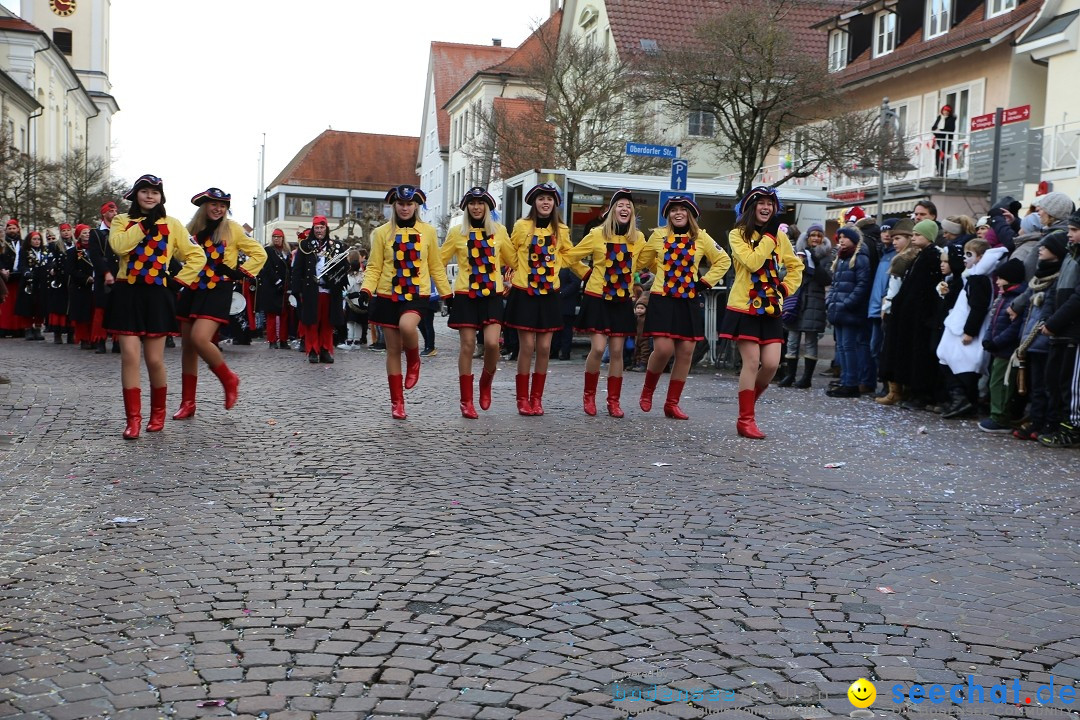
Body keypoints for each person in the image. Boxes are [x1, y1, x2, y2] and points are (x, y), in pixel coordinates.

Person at [105, 174, 206, 439]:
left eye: (155, 192)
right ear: (135, 194)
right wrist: (143, 225)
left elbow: (197, 255)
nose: (150, 196)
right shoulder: (121, 221)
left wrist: (179, 281)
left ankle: (157, 414)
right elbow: (118, 246)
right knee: (129, 356)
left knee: (154, 359)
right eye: (145, 191)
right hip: (127, 292)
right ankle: (133, 420)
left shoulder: (172, 224)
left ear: (162, 197)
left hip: (157, 295)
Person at [171, 188, 266, 421]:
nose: (218, 209)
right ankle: (188, 403)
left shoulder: (232, 228)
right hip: (193, 288)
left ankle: (228, 378)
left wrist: (239, 273)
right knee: (188, 348)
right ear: (204, 206)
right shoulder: (190, 229)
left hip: (218, 289)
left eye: (222, 205)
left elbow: (259, 254)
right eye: (214, 204)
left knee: (200, 339)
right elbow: (174, 252)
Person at [636, 194, 731, 420]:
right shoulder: (658, 236)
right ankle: (648, 391)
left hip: (688, 299)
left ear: (691, 214)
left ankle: (672, 403)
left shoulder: (702, 238)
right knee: (663, 350)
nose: (678, 213)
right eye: (673, 209)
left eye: (683, 209)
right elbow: (643, 261)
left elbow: (723, 260)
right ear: (668, 215)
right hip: (662, 298)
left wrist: (703, 283)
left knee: (686, 352)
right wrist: (652, 273)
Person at [361, 184, 451, 419]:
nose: (405, 208)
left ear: (416, 206)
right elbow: (374, 266)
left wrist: (446, 293)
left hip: (416, 294)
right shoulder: (380, 233)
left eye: (409, 204)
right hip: (387, 295)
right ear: (394, 206)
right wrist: (366, 290)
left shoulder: (428, 231)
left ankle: (414, 359)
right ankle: (397, 402)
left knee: (407, 326)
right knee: (392, 350)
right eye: (400, 204)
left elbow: (435, 266)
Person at [719, 187, 802, 436]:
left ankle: (747, 407)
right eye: (761, 203)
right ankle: (746, 419)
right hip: (744, 306)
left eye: (770, 203)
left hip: (770, 308)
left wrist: (786, 289)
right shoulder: (737, 234)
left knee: (772, 364)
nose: (766, 208)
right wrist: (770, 237)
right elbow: (753, 262)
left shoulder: (780, 237)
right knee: (752, 362)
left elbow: (795, 266)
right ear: (751, 207)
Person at [558, 190, 646, 417]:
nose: (624, 209)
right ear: (611, 210)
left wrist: (636, 281)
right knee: (598, 348)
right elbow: (570, 257)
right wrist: (586, 274)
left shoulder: (639, 238)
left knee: (617, 352)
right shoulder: (596, 234)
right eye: (620, 205)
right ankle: (589, 396)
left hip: (622, 300)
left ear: (632, 212)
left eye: (628, 205)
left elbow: (643, 262)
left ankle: (613, 401)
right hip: (597, 298)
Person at [439, 186, 514, 418]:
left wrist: (511, 280)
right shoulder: (456, 233)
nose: (476, 207)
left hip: (491, 294)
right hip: (465, 294)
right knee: (468, 345)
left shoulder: (500, 231)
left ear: (488, 206)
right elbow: (437, 261)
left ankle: (486, 381)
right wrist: (444, 291)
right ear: (466, 207)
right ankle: (466, 400)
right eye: (472, 203)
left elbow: (513, 259)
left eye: (481, 203)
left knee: (492, 344)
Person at [503, 182, 575, 416]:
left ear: (555, 204)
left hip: (549, 294)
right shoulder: (521, 226)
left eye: (550, 199)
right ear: (534, 202)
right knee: (528, 346)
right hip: (525, 293)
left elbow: (568, 255)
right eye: (541, 198)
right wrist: (516, 274)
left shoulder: (562, 230)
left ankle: (537, 398)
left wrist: (585, 272)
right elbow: (510, 253)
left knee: (544, 347)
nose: (545, 202)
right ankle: (522, 399)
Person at [936, 238, 1007, 418]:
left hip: (964, 329)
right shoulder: (972, 278)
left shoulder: (978, 280)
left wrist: (969, 331)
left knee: (963, 365)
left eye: (970, 255)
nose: (965, 259)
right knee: (947, 359)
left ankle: (964, 400)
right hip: (957, 326)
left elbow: (978, 307)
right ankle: (961, 400)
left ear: (981, 257)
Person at [1009, 232, 1066, 440]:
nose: (1040, 248)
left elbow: (1048, 310)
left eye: (1045, 246)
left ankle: (1047, 422)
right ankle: (1036, 420)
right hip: (1033, 340)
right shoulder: (1039, 277)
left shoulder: (1057, 280)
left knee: (1047, 385)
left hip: (1044, 339)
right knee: (1036, 386)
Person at [1038, 213, 1080, 447]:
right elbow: (1056, 291)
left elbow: (1078, 298)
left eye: (1074, 230)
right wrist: (1048, 318)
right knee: (1054, 379)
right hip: (1061, 330)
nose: (1069, 235)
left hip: (1073, 331)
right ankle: (1055, 423)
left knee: (1070, 385)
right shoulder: (1070, 255)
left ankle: (1071, 428)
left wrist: (1054, 322)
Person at [778, 224, 832, 388]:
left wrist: (814, 266)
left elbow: (827, 279)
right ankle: (790, 376)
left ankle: (806, 378)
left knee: (810, 340)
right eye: (813, 235)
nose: (815, 238)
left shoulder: (827, 256)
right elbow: (782, 274)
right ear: (807, 237)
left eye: (819, 235)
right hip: (796, 300)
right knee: (792, 340)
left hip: (814, 300)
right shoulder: (796, 252)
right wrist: (796, 267)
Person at [978, 258, 1027, 432]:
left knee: (1001, 383)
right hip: (998, 348)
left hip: (1006, 350)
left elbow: (1014, 328)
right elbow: (994, 321)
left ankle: (1000, 417)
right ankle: (997, 414)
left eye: (1000, 278)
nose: (997, 281)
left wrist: (996, 342)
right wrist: (988, 338)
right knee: (995, 381)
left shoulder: (1017, 299)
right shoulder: (1004, 297)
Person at [291, 215, 349, 363]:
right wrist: (296, 290)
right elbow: (297, 269)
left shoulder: (335, 245)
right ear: (313, 229)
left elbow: (343, 267)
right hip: (311, 290)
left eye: (322, 228)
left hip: (329, 290)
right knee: (312, 322)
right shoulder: (305, 245)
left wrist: (341, 278)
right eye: (316, 228)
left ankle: (325, 350)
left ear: (326, 229)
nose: (319, 231)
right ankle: (312, 350)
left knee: (327, 323)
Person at [825, 226, 873, 397]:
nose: (842, 240)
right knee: (843, 347)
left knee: (849, 346)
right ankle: (845, 380)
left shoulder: (860, 258)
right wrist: (830, 301)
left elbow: (862, 284)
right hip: (838, 309)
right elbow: (835, 284)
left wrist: (846, 303)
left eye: (846, 237)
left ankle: (851, 382)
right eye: (840, 237)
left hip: (849, 310)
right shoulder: (841, 258)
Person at [89, 201, 120, 353]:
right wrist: (106, 272)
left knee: (118, 308)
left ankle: (117, 341)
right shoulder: (95, 233)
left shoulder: (120, 231)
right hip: (103, 276)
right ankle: (99, 340)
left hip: (119, 275)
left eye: (115, 211)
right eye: (111, 211)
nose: (114, 213)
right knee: (101, 310)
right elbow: (95, 256)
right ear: (104, 213)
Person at [257, 228, 291, 349]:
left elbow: (289, 269)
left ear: (282, 238)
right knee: (271, 315)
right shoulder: (268, 250)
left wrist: (288, 284)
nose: (276, 238)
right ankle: (272, 341)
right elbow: (267, 268)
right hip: (272, 287)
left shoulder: (287, 252)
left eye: (278, 236)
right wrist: (277, 281)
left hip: (284, 287)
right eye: (274, 236)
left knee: (284, 315)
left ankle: (283, 340)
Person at [66, 224, 96, 349]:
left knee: (93, 313)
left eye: (89, 232)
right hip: (81, 286)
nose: (87, 235)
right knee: (82, 315)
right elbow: (71, 270)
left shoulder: (96, 249)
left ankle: (94, 338)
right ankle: (83, 338)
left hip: (95, 286)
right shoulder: (73, 251)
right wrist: (85, 278)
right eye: (84, 233)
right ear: (78, 235)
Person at [14, 230, 47, 340]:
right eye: (34, 239)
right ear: (29, 240)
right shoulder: (24, 251)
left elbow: (48, 262)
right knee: (27, 305)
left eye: (38, 239)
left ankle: (38, 328)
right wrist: (26, 272)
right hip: (29, 281)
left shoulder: (44, 251)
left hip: (41, 281)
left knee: (40, 305)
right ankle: (28, 328)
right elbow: (21, 265)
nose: (37, 241)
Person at [0, 218, 28, 337]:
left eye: (14, 228)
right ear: (6, 230)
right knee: (6, 304)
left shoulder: (23, 243)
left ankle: (18, 328)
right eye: (9, 228)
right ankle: (4, 327)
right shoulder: (2, 242)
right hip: (6, 276)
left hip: (19, 276)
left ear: (18, 229)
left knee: (18, 303)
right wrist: (2, 269)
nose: (12, 231)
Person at [340, 247, 368, 350]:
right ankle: (355, 340)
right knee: (356, 322)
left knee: (352, 321)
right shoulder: (359, 273)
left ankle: (352, 341)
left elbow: (349, 287)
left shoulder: (354, 274)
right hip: (357, 300)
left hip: (354, 300)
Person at [932, 105, 956, 176]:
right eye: (944, 110)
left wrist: (940, 130)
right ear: (942, 111)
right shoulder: (939, 118)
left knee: (944, 158)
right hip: (938, 140)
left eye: (947, 111)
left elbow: (951, 130)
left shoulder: (951, 119)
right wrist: (936, 131)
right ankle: (939, 172)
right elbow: (933, 128)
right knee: (937, 158)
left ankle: (944, 173)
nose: (945, 112)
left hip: (945, 141)